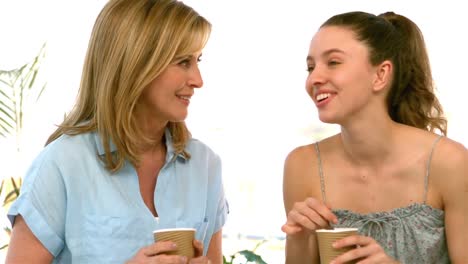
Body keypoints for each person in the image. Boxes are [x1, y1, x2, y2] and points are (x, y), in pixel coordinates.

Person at [6, 0, 229, 263]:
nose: (198, 80)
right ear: (136, 63)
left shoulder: (205, 166)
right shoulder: (62, 164)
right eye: (183, 62)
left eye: (197, 60)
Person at [281, 11, 467, 264]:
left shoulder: (450, 162)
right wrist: (300, 238)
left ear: (380, 75)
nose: (314, 78)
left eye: (333, 62)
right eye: (310, 67)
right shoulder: (302, 165)